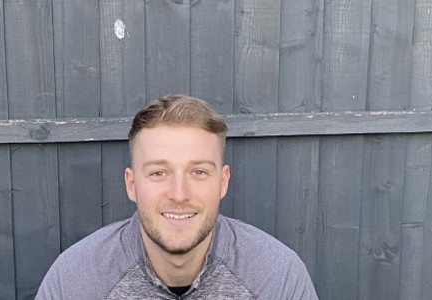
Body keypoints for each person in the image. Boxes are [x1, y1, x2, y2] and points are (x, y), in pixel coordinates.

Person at [36, 95, 317, 299]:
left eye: (198, 172)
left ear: (223, 182)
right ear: (132, 185)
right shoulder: (74, 281)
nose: (179, 194)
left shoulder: (277, 278)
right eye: (159, 173)